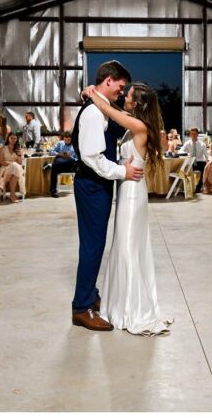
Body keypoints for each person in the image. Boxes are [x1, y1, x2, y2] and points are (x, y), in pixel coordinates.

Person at [79, 81, 172, 335]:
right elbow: (113, 110)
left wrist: (92, 94)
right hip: (126, 190)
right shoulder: (134, 121)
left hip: (132, 194)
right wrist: (92, 93)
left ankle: (131, 309)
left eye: (128, 96)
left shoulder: (139, 126)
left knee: (128, 248)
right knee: (123, 246)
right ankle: (120, 303)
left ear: (137, 103)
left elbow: (110, 111)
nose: (124, 98)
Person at [70, 61, 145, 332]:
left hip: (98, 185)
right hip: (92, 184)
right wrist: (121, 172)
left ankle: (90, 293)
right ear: (109, 80)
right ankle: (81, 307)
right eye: (121, 87)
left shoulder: (103, 107)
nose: (122, 93)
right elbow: (92, 157)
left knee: (96, 244)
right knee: (92, 246)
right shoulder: (93, 113)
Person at [43, 132, 77, 198]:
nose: (67, 141)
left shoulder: (75, 146)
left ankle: (50, 165)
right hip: (59, 164)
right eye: (65, 140)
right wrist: (59, 154)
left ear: (71, 139)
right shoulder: (60, 143)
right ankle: (53, 191)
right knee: (55, 167)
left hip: (70, 165)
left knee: (58, 165)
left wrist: (70, 157)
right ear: (64, 139)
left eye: (69, 140)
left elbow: (77, 159)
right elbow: (51, 151)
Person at [0, 133, 25, 203]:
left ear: (17, 139)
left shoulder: (19, 149)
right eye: (11, 138)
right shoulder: (2, 148)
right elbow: (1, 161)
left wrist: (19, 155)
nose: (13, 140)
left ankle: (3, 183)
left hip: (17, 167)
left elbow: (20, 163)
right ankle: (12, 195)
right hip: (5, 167)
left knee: (15, 167)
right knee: (14, 167)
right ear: (8, 138)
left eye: (15, 138)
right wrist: (12, 164)